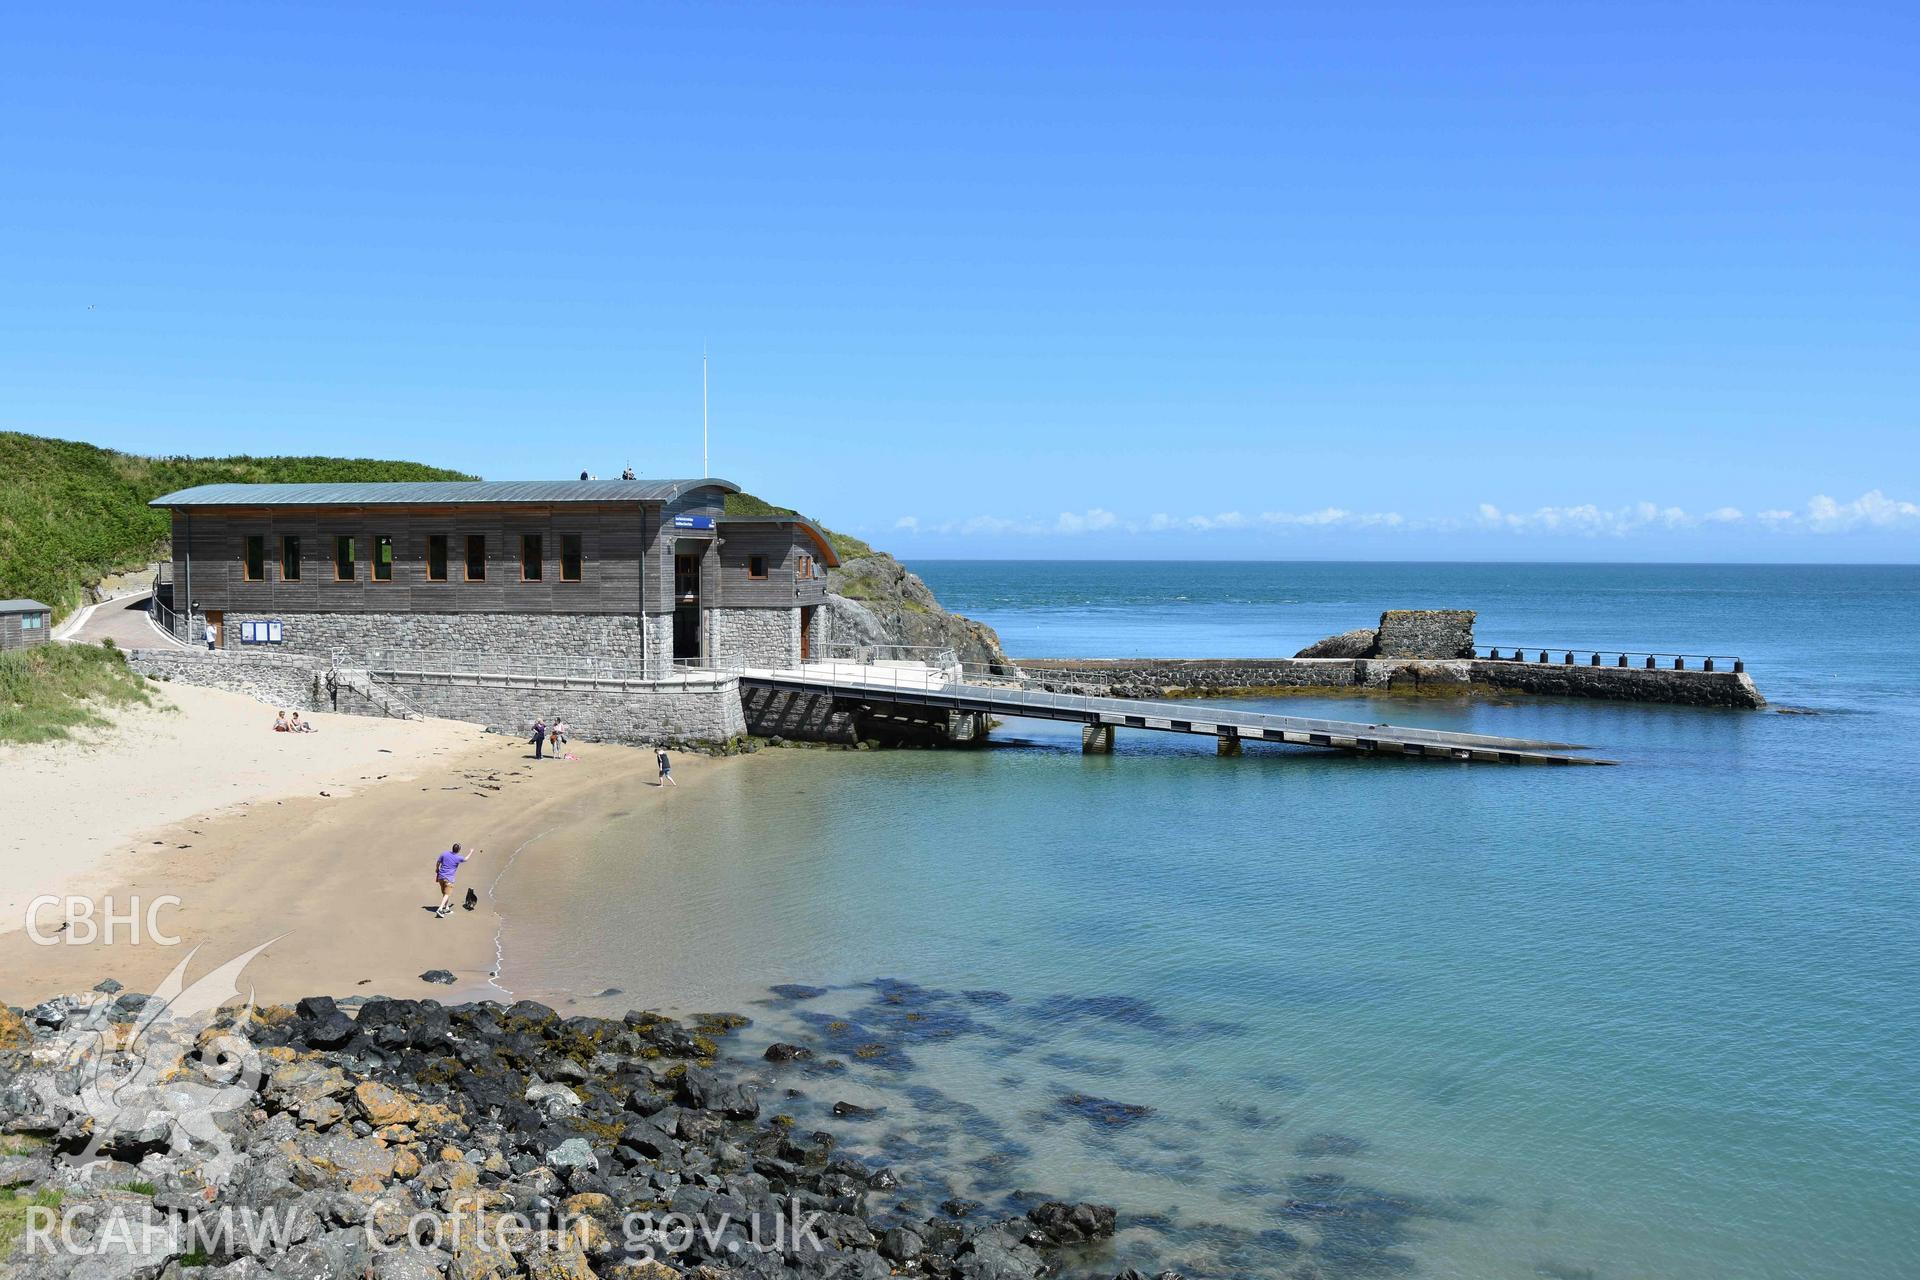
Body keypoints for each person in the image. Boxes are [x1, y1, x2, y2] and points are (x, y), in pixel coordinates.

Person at [433, 843, 477, 918]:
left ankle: (446, 908)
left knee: (445, 893)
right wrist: (471, 852)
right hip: (449, 879)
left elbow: (438, 862)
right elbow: (466, 859)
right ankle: (440, 909)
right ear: (459, 850)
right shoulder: (458, 858)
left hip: (441, 877)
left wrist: (437, 869)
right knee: (447, 894)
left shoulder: (444, 853)